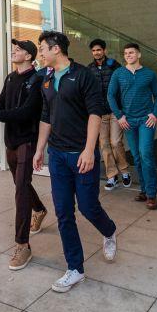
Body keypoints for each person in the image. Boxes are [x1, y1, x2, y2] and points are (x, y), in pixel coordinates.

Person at [33, 30, 117, 293]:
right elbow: (46, 116)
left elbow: (95, 114)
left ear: (56, 48)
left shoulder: (83, 75)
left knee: (89, 207)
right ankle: (75, 268)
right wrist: (40, 150)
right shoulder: (46, 79)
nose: (41, 54)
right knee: (63, 211)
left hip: (81, 154)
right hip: (57, 156)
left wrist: (89, 150)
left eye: (43, 49)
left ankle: (110, 231)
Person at [0, 39, 49, 271]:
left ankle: (22, 244)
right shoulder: (10, 77)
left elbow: (26, 112)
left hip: (28, 139)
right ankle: (40, 209)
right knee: (20, 183)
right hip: (11, 140)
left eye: (18, 50)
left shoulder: (37, 80)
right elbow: (0, 105)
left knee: (20, 191)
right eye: (13, 49)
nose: (13, 52)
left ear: (29, 56)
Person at [108, 43, 157, 210]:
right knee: (137, 157)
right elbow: (110, 95)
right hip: (128, 122)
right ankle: (144, 190)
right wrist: (119, 116)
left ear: (138, 54)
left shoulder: (149, 74)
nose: (128, 55)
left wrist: (155, 114)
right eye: (125, 53)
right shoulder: (118, 73)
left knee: (146, 153)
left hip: (146, 120)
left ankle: (152, 194)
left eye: (131, 52)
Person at [87, 39, 130, 190]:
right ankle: (112, 176)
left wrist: (123, 108)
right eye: (93, 51)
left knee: (115, 142)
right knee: (104, 144)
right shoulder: (89, 69)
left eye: (99, 50)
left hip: (115, 111)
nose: (96, 53)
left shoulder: (114, 65)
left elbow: (123, 85)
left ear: (104, 51)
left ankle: (124, 171)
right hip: (99, 113)